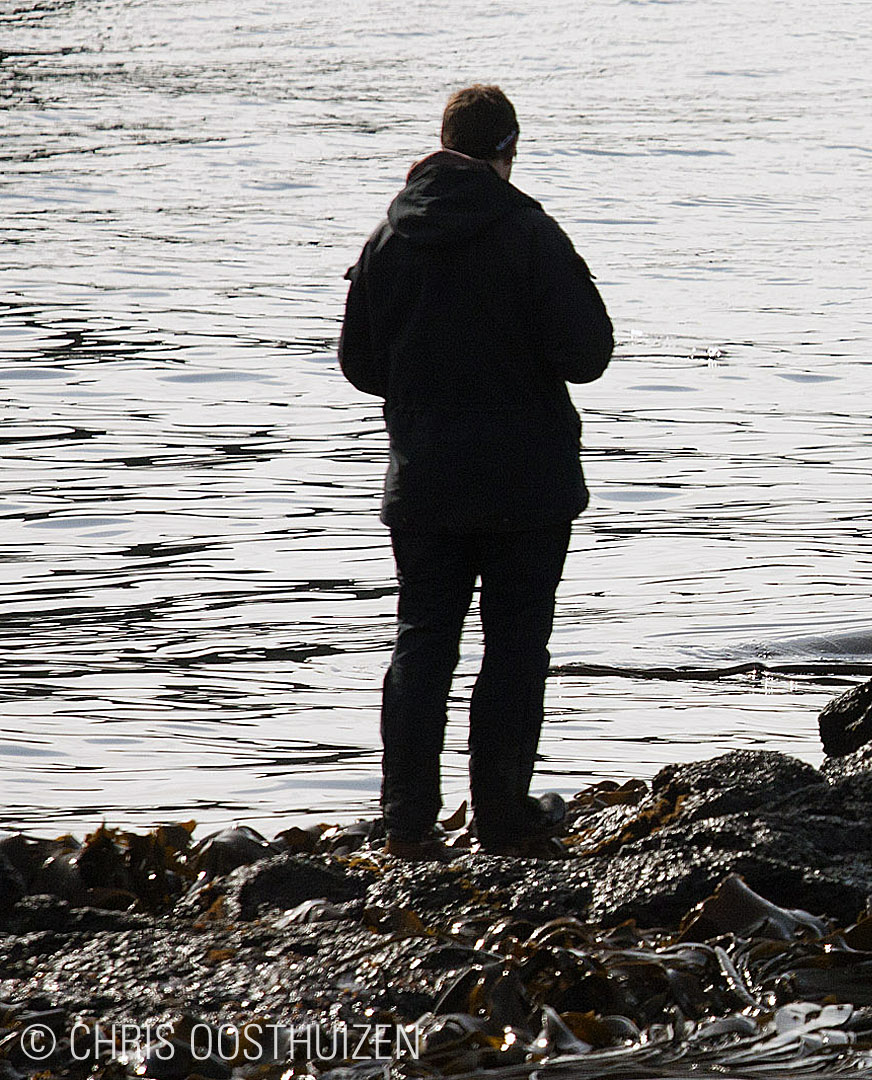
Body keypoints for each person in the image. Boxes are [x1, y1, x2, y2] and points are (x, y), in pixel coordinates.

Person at [338, 84, 614, 859]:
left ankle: (407, 823)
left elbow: (358, 365)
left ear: (441, 141)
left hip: (425, 480)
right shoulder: (530, 232)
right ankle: (501, 819)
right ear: (509, 150)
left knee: (423, 642)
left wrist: (428, 381)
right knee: (516, 647)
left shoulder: (389, 238)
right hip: (527, 484)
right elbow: (588, 355)